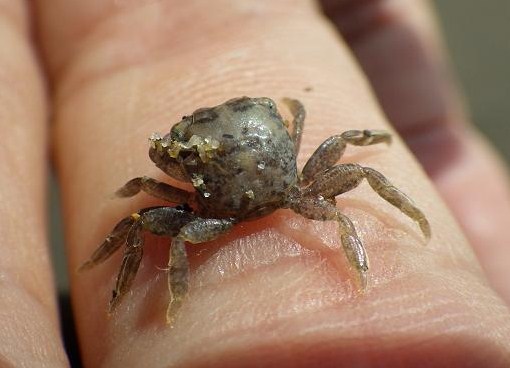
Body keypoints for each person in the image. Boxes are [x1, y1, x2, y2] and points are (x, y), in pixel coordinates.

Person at [2, 1, 510, 366]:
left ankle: (170, 302)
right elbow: (334, 137)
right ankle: (371, 259)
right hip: (289, 191)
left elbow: (144, 187)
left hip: (223, 212)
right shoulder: (302, 160)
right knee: (351, 186)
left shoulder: (188, 198)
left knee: (152, 226)